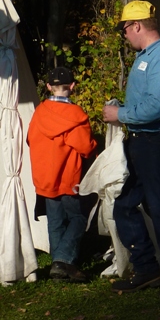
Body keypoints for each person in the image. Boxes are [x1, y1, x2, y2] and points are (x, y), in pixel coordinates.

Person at [102, 0, 160, 295]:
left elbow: (158, 107)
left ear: (137, 26)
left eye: (125, 29)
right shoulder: (147, 57)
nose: (124, 35)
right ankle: (147, 269)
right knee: (125, 206)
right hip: (143, 141)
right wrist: (125, 111)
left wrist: (121, 114)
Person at [27, 66, 97, 283]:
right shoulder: (76, 116)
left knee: (55, 221)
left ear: (48, 86)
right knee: (77, 217)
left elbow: (30, 140)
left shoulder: (39, 113)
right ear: (73, 86)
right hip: (68, 177)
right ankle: (62, 259)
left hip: (44, 178)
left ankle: (60, 270)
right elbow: (86, 147)